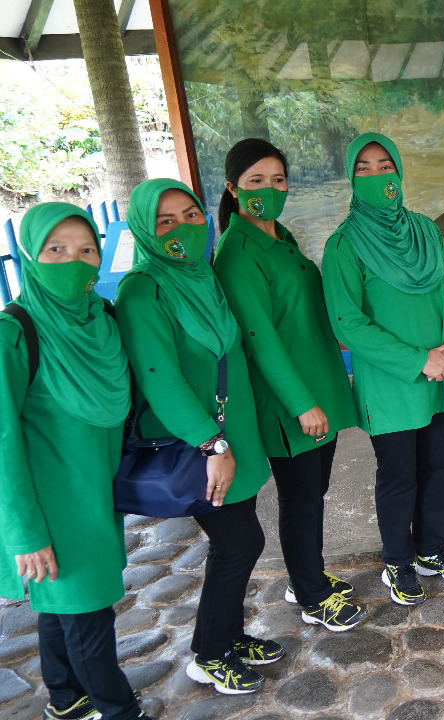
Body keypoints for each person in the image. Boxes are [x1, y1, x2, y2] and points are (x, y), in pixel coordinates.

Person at [115, 179, 282, 694]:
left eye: (190, 215)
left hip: (234, 434)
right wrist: (213, 444)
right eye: (165, 221)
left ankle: (229, 636)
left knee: (240, 541)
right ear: (145, 229)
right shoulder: (144, 289)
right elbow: (160, 378)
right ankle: (209, 655)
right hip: (201, 445)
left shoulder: (201, 274)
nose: (183, 228)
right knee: (239, 544)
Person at [0, 204, 152, 720]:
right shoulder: (14, 333)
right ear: (30, 256)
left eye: (87, 250)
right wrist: (25, 533)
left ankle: (65, 699)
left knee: (61, 605)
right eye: (56, 250)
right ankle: (118, 709)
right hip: (54, 506)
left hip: (96, 492)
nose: (74, 261)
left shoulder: (101, 318)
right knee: (89, 613)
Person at [212, 139, 365, 631]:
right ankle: (313, 595)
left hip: (318, 384)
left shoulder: (279, 236)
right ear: (233, 188)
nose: (269, 190)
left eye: (278, 180)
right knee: (300, 500)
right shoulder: (237, 254)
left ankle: (306, 577)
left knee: (313, 493)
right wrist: (301, 404)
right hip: (290, 401)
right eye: (256, 181)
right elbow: (260, 339)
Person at [322, 132, 444, 605]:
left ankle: (432, 549)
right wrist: (419, 360)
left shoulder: (425, 231)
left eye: (384, 166)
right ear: (351, 179)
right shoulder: (344, 245)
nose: (377, 176)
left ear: (399, 171)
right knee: (399, 476)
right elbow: (348, 323)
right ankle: (398, 560)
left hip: (441, 374)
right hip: (391, 382)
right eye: (363, 169)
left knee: (437, 468)